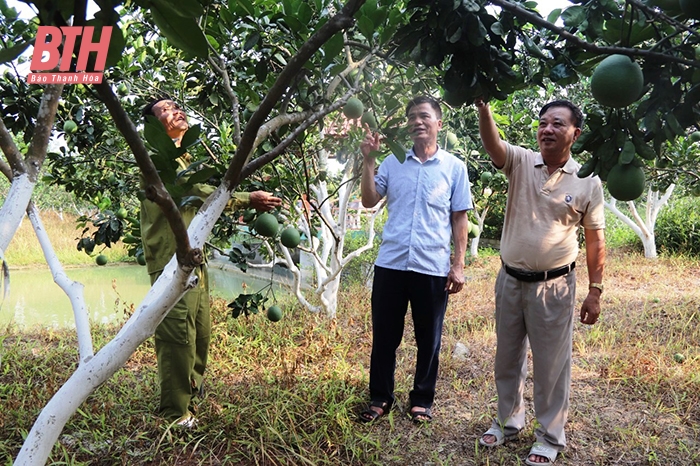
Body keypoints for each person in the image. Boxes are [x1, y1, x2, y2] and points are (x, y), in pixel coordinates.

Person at [474, 98, 605, 466]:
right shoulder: (519, 161)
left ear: (574, 134)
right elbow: (493, 145)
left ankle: (549, 435)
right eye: (543, 122)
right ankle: (507, 421)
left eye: (557, 124)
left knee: (551, 365)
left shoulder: (588, 181)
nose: (547, 129)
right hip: (510, 280)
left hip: (556, 286)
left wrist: (596, 291)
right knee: (507, 357)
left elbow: (595, 239)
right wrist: (485, 110)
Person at [140, 98, 282, 427]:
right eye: (164, 110)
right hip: (169, 261)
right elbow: (197, 191)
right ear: (153, 126)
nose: (175, 110)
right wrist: (248, 198)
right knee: (176, 337)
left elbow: (205, 199)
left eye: (176, 105)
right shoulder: (156, 158)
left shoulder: (187, 157)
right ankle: (175, 413)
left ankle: (190, 392)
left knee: (200, 332)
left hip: (194, 259)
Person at [358, 96, 472, 424]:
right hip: (391, 263)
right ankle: (380, 397)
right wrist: (369, 161)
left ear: (439, 123)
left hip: (432, 266)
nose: (417, 121)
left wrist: (458, 264)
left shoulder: (454, 168)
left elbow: (459, 219)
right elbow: (368, 201)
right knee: (384, 336)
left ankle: (422, 398)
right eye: (412, 117)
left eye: (424, 116)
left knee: (429, 338)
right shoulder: (392, 163)